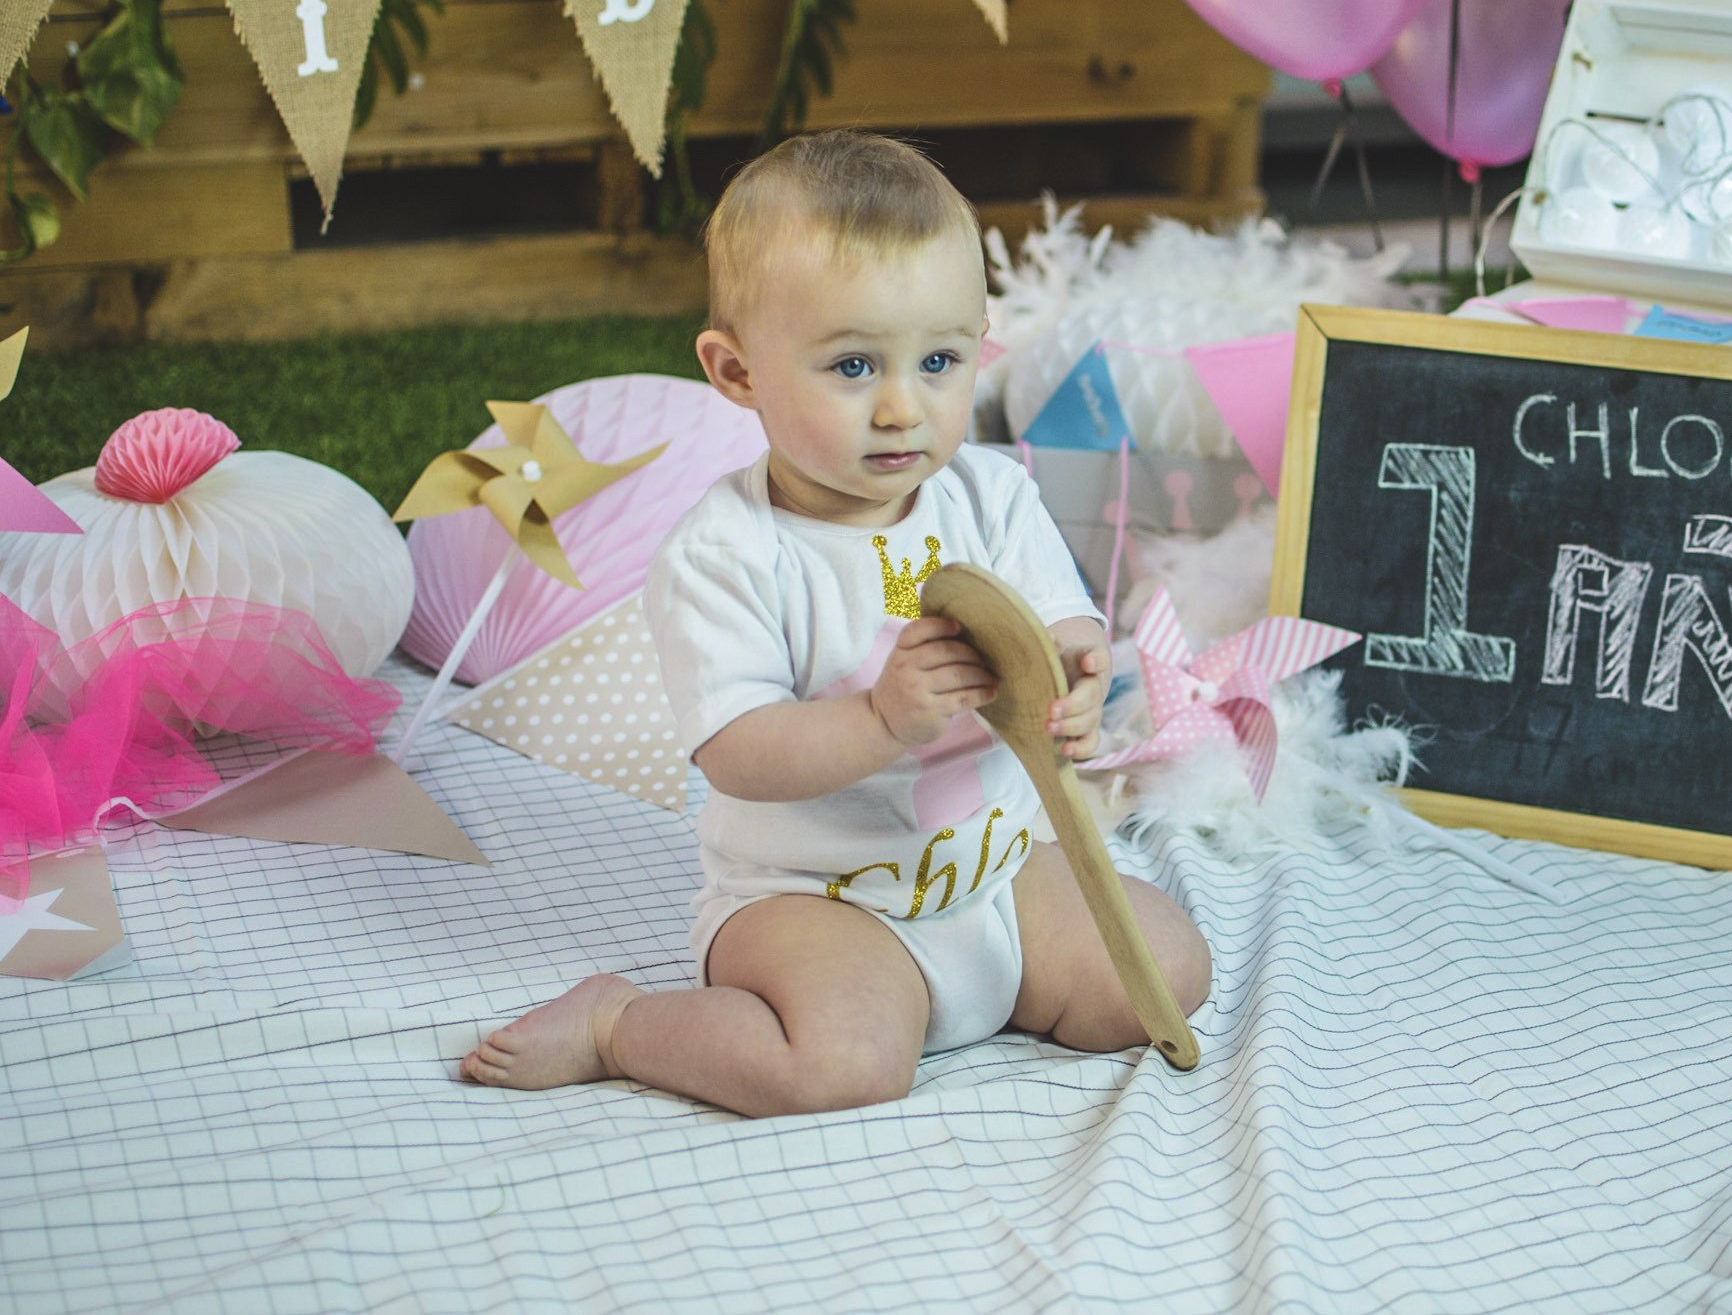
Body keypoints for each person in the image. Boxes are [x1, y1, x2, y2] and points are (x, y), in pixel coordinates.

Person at [459, 130, 1210, 1117]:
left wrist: (1075, 667)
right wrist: (879, 719)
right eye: (853, 366)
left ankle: (998, 980)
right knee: (842, 1066)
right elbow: (736, 753)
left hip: (990, 872)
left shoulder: (988, 495)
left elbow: (1060, 620)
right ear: (737, 372)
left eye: (938, 360)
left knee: (1165, 970)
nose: (903, 408)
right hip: (815, 898)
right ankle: (619, 1024)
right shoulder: (725, 553)